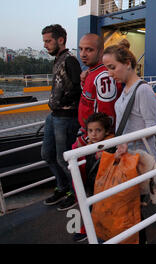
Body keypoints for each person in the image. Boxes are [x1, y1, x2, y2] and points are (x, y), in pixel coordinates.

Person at [41, 24, 82, 211]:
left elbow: (76, 87)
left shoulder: (70, 60)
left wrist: (62, 101)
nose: (45, 45)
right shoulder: (57, 60)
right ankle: (63, 186)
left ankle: (75, 193)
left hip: (66, 117)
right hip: (54, 116)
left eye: (48, 41)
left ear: (61, 40)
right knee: (47, 155)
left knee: (63, 158)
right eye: (44, 41)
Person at [102, 44, 156, 159]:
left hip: (142, 159)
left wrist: (126, 141)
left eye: (112, 67)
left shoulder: (143, 90)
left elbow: (152, 127)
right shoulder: (126, 89)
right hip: (127, 154)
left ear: (128, 63)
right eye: (107, 69)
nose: (109, 74)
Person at [72, 112, 114, 242]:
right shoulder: (89, 146)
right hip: (92, 187)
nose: (93, 134)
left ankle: (99, 235)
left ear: (106, 131)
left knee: (100, 214)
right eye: (90, 131)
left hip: (104, 188)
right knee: (91, 211)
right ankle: (92, 232)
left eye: (98, 130)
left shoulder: (109, 147)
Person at [75, 33, 122, 149]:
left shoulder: (103, 77)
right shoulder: (91, 71)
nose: (83, 54)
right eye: (80, 49)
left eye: (89, 50)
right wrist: (83, 81)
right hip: (88, 132)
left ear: (101, 52)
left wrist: (88, 138)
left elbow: (107, 116)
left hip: (94, 138)